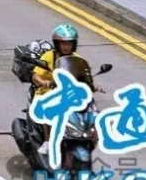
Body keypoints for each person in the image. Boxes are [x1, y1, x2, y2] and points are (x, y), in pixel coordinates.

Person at [31, 23, 103, 156]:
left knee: (89, 108)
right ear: (57, 44)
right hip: (47, 92)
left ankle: (86, 134)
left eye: (69, 44)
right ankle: (48, 141)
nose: (66, 47)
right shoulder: (48, 56)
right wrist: (43, 82)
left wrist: (93, 85)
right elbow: (36, 76)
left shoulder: (77, 59)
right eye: (63, 44)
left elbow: (84, 76)